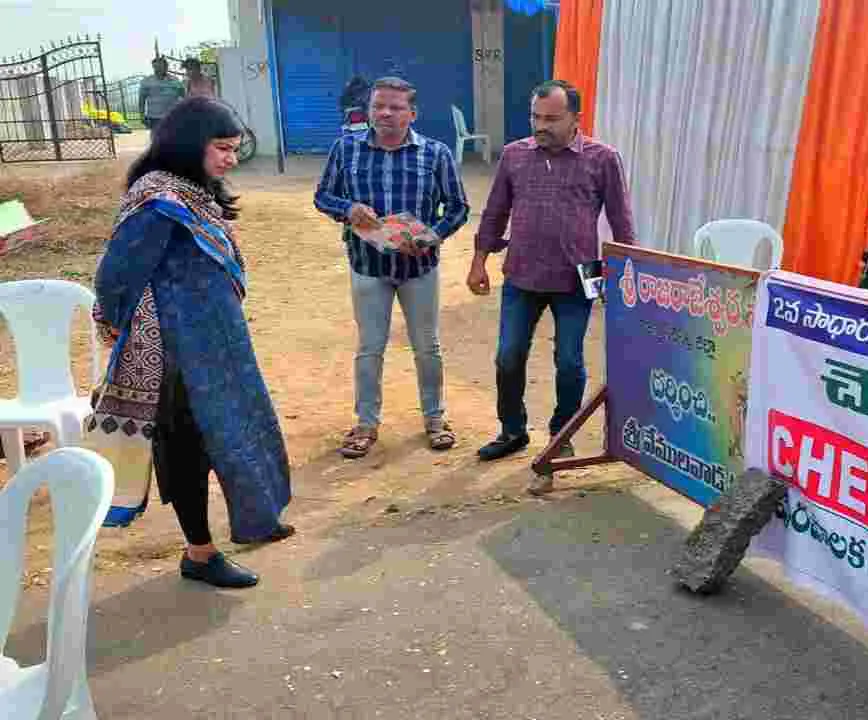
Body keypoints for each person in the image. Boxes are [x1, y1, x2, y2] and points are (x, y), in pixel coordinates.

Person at [89, 97, 293, 589]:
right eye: (222, 148)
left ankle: (257, 516)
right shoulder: (158, 200)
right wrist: (116, 323)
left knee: (237, 426)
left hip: (217, 339)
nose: (231, 158)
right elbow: (116, 275)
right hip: (176, 350)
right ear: (188, 143)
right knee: (188, 446)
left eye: (235, 148)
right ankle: (199, 553)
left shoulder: (193, 189)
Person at [468, 79, 636, 495]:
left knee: (570, 361)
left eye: (552, 118)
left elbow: (622, 222)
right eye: (536, 117)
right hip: (521, 273)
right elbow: (495, 212)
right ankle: (512, 430)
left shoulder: (603, 158)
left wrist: (625, 273)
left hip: (581, 276)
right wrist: (478, 261)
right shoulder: (515, 155)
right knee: (508, 356)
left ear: (576, 117)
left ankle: (562, 434)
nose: (541, 126)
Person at [314, 77, 470, 458]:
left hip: (420, 268)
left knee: (427, 347)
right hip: (367, 266)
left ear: (412, 114)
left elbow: (458, 207)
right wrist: (348, 209)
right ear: (368, 110)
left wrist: (432, 236)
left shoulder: (435, 154)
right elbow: (323, 196)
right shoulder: (345, 149)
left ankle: (435, 419)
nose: (385, 113)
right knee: (370, 347)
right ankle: (366, 424)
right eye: (378, 106)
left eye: (395, 107)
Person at [138, 57, 185, 130]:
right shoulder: (147, 81)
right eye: (156, 67)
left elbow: (184, 96)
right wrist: (142, 115)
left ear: (166, 67)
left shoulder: (175, 80)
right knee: (157, 136)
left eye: (160, 66)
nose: (158, 69)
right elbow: (142, 100)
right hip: (154, 117)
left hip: (172, 116)